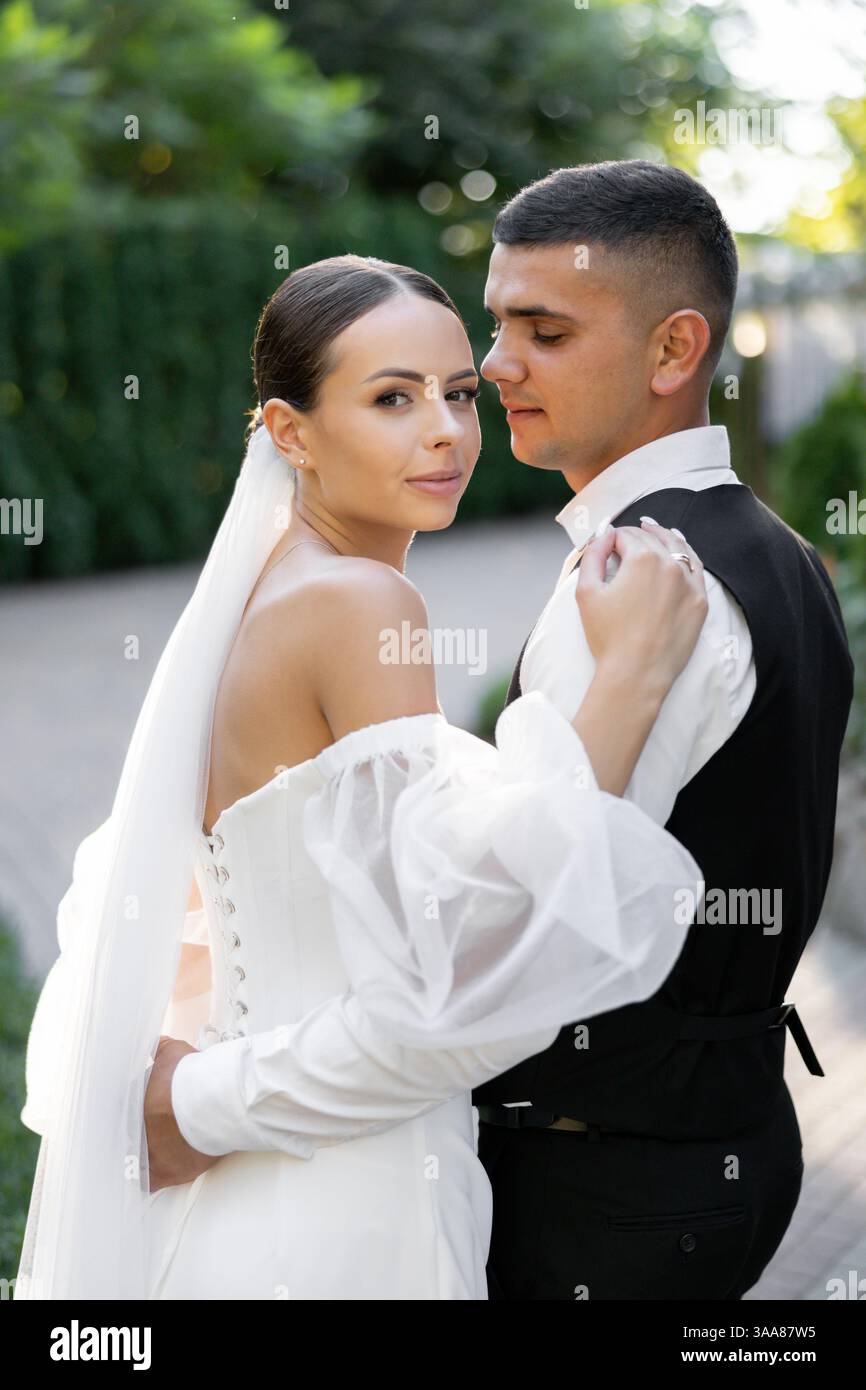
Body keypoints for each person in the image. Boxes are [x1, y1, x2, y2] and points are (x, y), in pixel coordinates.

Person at [16, 252, 708, 1300]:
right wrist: (628, 676)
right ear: (289, 431)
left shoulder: (266, 591)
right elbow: (458, 985)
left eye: (459, 394)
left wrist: (196, 1081)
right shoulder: (359, 607)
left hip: (246, 1203)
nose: (444, 428)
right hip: (335, 1202)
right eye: (392, 397)